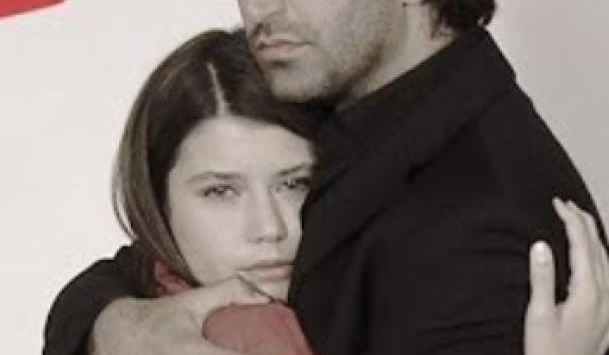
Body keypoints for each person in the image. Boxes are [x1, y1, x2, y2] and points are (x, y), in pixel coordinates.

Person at [43, 0, 608, 355]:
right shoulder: (350, 104)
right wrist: (116, 324)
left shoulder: (471, 232)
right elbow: (140, 261)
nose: (258, 2)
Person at [93, 27, 609, 355]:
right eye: (220, 192)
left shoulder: (146, 291)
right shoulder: (254, 335)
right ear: (156, 198)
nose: (268, 228)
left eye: (294, 183)